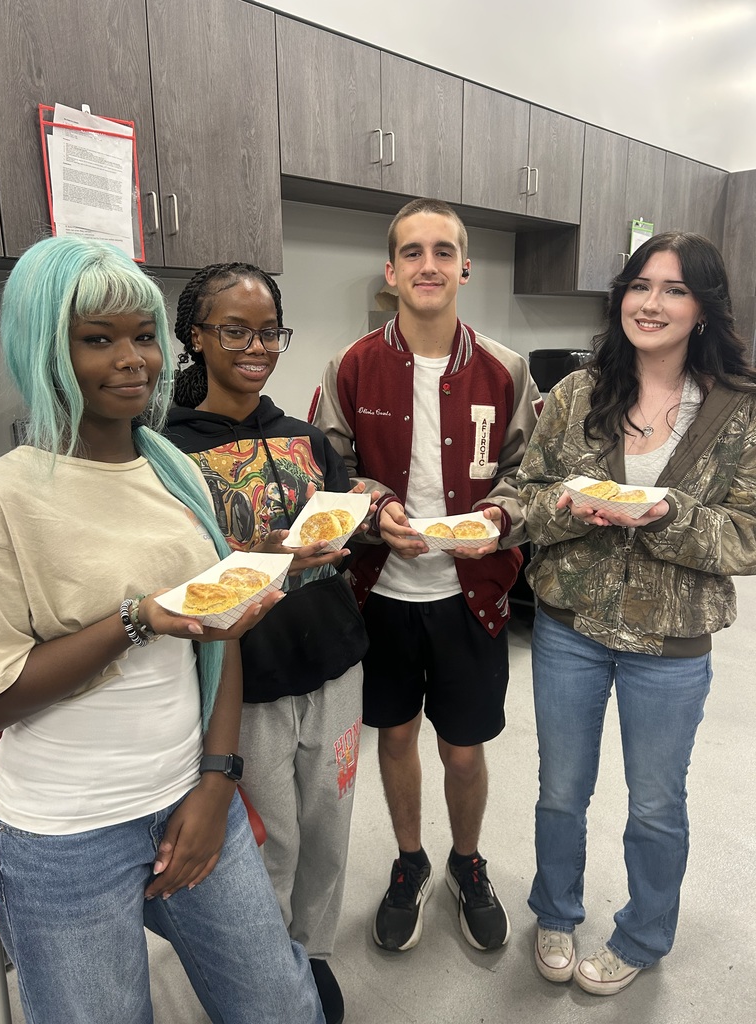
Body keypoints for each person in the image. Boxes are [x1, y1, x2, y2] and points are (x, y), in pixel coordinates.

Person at [0, 236, 324, 1024]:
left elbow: (217, 631)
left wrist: (218, 781)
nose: (132, 359)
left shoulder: (173, 469)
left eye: (142, 336)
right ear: (43, 346)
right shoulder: (6, 496)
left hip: (189, 796)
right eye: (97, 340)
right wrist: (137, 619)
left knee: (281, 1006)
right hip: (62, 839)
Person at [517, 231, 756, 996]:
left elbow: (747, 537)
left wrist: (665, 511)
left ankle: (644, 934)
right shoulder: (578, 394)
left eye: (675, 289)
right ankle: (555, 910)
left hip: (671, 640)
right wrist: (569, 507)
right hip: (569, 625)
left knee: (656, 803)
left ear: (705, 308)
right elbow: (527, 498)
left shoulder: (740, 412)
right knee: (561, 787)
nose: (651, 304)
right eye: (640, 285)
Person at [312, 198, 541, 954]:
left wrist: (497, 522)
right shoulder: (349, 365)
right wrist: (376, 507)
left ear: (464, 267)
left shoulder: (507, 369)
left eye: (443, 251)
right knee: (397, 735)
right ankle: (409, 862)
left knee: (465, 750)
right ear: (392, 271)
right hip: (379, 596)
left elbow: (528, 477)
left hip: (471, 597)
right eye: (412, 252)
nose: (428, 264)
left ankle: (465, 863)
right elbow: (330, 468)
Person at [165, 262, 369, 1024]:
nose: (256, 346)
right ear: (196, 337)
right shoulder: (166, 452)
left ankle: (311, 951)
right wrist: (273, 553)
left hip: (335, 663)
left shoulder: (308, 439)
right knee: (270, 837)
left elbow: (342, 523)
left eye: (269, 332)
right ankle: (268, 964)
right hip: (244, 683)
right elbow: (177, 577)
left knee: (330, 823)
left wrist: (368, 519)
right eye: (235, 330)